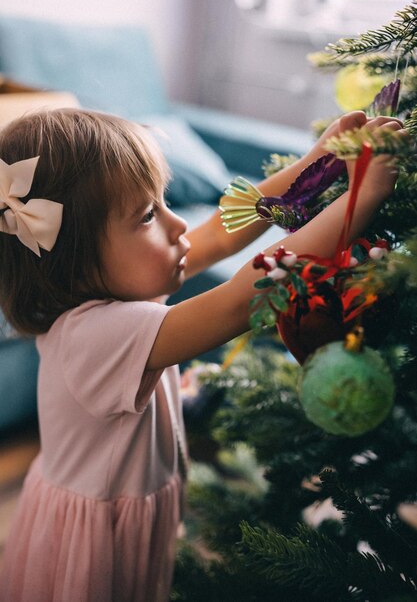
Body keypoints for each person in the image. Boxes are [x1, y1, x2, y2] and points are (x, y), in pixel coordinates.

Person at [0, 108, 404, 602]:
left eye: (162, 203)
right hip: (96, 532)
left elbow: (217, 230)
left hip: (120, 505)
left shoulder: (108, 289)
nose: (176, 226)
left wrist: (319, 163)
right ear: (74, 261)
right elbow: (243, 298)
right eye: (148, 216)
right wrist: (363, 198)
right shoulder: (95, 335)